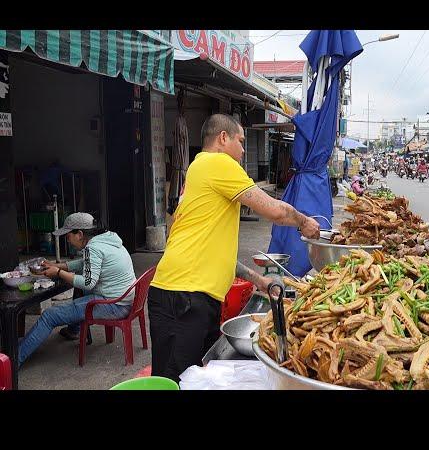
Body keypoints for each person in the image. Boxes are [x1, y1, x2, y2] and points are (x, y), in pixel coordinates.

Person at [148, 114, 320, 382]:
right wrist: (304, 222)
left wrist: (257, 279)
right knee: (175, 380)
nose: (243, 149)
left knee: (195, 378)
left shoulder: (200, 170)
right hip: (181, 295)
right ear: (223, 138)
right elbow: (275, 211)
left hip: (191, 296)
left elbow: (215, 250)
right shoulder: (218, 163)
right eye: (240, 141)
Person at [19, 213, 135, 366]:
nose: (67, 240)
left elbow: (88, 283)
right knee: (79, 288)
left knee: (49, 316)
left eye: (68, 236)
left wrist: (58, 273)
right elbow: (85, 263)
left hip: (113, 305)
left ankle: (14, 360)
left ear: (80, 234)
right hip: (125, 299)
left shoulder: (93, 248)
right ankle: (74, 329)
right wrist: (58, 265)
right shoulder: (108, 240)